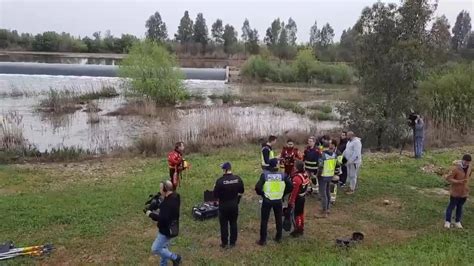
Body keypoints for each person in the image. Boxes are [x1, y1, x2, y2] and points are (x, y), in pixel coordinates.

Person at [255, 158, 292, 245]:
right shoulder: (283, 175)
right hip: (278, 200)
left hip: (267, 200)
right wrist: (283, 194)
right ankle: (278, 237)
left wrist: (262, 194)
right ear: (276, 165)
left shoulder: (264, 175)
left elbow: (257, 187)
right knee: (278, 219)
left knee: (264, 220)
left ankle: (263, 240)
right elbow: (290, 186)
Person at [146, 180, 181, 266]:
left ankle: (175, 257)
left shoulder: (167, 204)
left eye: (161, 188)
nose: (160, 190)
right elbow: (167, 211)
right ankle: (163, 264)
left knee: (156, 248)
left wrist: (150, 214)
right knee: (164, 248)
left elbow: (162, 219)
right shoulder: (176, 197)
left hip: (165, 230)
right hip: (174, 227)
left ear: (165, 189)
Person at [213, 162, 245, 248]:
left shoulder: (219, 181)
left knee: (223, 225)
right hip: (234, 205)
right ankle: (233, 242)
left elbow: (215, 195)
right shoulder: (238, 179)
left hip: (223, 206)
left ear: (224, 170)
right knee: (233, 223)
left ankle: (224, 243)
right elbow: (241, 191)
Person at [444, 154, 472, 229]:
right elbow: (448, 178)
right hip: (456, 191)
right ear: (463, 160)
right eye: (466, 162)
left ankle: (457, 221)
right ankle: (447, 221)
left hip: (464, 192)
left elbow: (468, 176)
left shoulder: (470, 167)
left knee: (460, 206)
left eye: (468, 162)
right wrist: (458, 181)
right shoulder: (456, 168)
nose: (467, 164)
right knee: (451, 206)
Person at [288, 160, 310, 237]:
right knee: (301, 213)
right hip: (303, 197)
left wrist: (291, 201)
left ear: (297, 168)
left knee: (296, 215)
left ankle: (298, 229)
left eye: (294, 166)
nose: (293, 168)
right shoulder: (305, 174)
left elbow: (294, 192)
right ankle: (301, 227)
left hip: (298, 199)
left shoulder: (297, 179)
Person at [317, 141, 338, 218]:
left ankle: (324, 211)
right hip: (330, 176)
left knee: (323, 194)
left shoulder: (322, 155)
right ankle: (328, 208)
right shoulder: (334, 155)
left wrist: (318, 175)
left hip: (323, 176)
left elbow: (320, 167)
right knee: (327, 192)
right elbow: (336, 165)